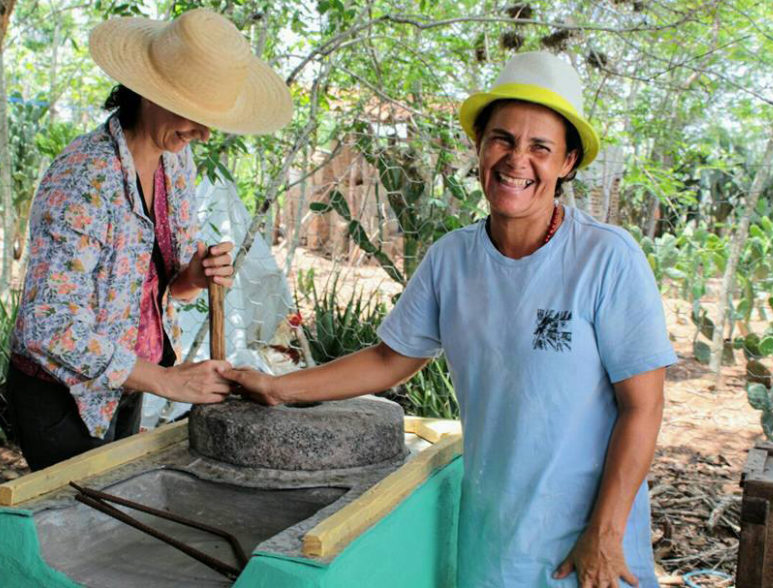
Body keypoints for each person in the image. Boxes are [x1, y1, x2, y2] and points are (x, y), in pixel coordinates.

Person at [226, 51, 675, 587]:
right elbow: (391, 359)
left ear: (568, 163)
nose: (516, 160)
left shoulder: (606, 258)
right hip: (493, 536)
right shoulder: (452, 260)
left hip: (588, 541)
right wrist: (279, 388)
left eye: (540, 148)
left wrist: (604, 532)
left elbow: (643, 407)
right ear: (480, 147)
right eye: (503, 139)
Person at [8, 9, 293, 471]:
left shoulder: (174, 162)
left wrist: (195, 276)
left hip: (129, 384)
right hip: (66, 397)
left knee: (113, 519)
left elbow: (166, 286)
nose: (202, 133)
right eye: (195, 116)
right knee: (81, 530)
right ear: (151, 94)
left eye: (210, 121)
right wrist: (167, 382)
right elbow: (46, 325)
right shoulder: (85, 176)